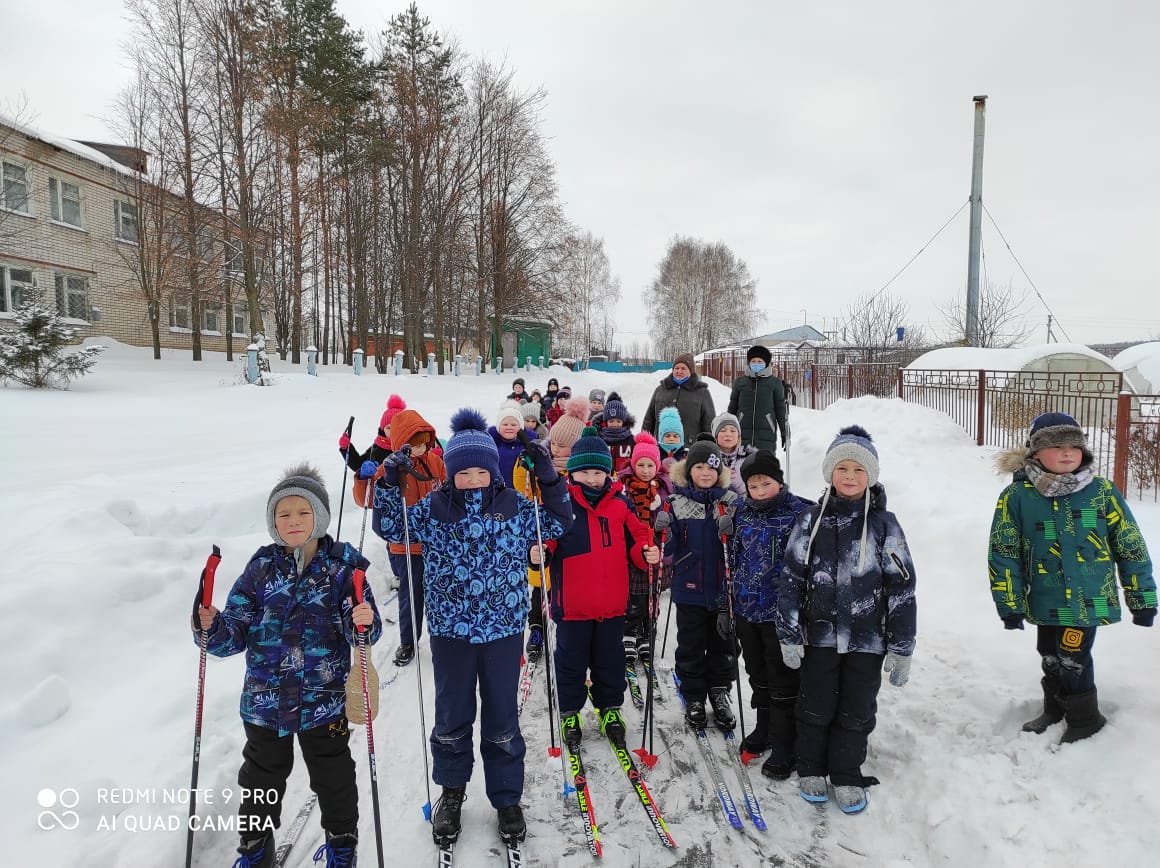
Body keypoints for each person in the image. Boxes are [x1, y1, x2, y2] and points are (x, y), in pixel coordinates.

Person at [372, 408, 572, 846]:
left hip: (503, 631)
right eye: (464, 473)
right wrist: (388, 484)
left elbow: (560, 520)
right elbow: (390, 527)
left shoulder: (514, 506)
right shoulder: (433, 509)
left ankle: (506, 798)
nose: (474, 479)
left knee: (502, 717)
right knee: (452, 715)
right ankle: (452, 791)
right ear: (452, 474)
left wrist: (548, 477)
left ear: (493, 471)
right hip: (451, 633)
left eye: (482, 471)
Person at [194, 464, 382, 868]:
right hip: (265, 701)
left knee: (334, 778)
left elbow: (363, 631)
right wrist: (210, 626)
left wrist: (363, 621)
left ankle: (342, 846)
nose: (293, 521)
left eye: (302, 512)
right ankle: (254, 849)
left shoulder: (343, 569)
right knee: (259, 780)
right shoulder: (259, 570)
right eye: (283, 514)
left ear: (321, 516)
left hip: (324, 701)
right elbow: (233, 633)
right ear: (272, 521)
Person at [988, 412, 1155, 743]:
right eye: (1056, 446)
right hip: (1045, 597)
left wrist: (1142, 598)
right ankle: (1055, 708)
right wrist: (1009, 604)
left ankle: (1085, 719)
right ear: (1035, 453)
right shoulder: (1018, 497)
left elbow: (1130, 545)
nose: (1067, 452)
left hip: (1089, 597)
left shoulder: (1101, 492)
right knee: (1050, 655)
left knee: (1072, 656)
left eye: (1074, 446)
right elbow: (1004, 552)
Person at [777, 425, 916, 815]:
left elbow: (902, 588)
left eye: (858, 469)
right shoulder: (810, 521)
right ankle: (810, 767)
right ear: (830, 473)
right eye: (842, 468)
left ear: (870, 475)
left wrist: (902, 647)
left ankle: (846, 773)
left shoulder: (885, 525)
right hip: (819, 636)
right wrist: (789, 633)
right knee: (815, 704)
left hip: (867, 640)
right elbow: (790, 579)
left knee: (857, 709)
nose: (850, 476)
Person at [530, 427, 660, 750]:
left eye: (598, 472)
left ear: (608, 473)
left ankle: (609, 707)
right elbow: (547, 540)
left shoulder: (620, 504)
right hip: (572, 606)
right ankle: (569, 711)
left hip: (612, 605)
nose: (591, 479)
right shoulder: (561, 506)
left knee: (609, 662)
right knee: (570, 663)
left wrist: (646, 551)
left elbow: (637, 536)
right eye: (585, 472)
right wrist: (540, 552)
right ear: (572, 472)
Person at [727, 450, 813, 779]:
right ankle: (764, 728)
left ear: (779, 481)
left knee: (783, 679)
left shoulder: (799, 512)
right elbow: (732, 558)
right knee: (757, 673)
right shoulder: (740, 512)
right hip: (747, 609)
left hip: (782, 614)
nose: (761, 491)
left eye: (767, 483)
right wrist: (726, 604)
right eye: (754, 485)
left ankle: (785, 743)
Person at [656, 437, 740, 730]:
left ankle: (719, 691)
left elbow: (741, 546)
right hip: (689, 588)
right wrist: (663, 531)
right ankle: (693, 695)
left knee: (723, 644)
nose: (706, 473)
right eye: (700, 467)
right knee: (690, 645)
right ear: (689, 470)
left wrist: (732, 531)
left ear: (720, 472)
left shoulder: (731, 502)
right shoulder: (676, 502)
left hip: (722, 590)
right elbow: (667, 550)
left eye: (712, 468)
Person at [365, 407, 447, 667]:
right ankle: (408, 641)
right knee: (411, 596)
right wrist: (368, 479)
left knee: (439, 594)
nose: (421, 449)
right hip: (406, 547)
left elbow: (446, 490)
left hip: (435, 544)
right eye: (414, 445)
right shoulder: (390, 468)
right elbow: (373, 503)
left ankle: (441, 639)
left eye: (424, 443)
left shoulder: (436, 462)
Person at [516, 396, 591, 661]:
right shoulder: (541, 463)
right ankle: (536, 627)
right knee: (541, 585)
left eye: (564, 446)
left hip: (574, 540)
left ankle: (566, 630)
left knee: (567, 589)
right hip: (547, 535)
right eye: (554, 443)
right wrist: (528, 471)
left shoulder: (583, 471)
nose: (556, 449)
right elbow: (524, 492)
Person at [617, 431, 673, 662]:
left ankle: (647, 633)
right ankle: (629, 632)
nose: (646, 470)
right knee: (633, 597)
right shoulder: (625, 487)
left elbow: (672, 518)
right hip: (632, 549)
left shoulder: (664, 489)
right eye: (640, 464)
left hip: (656, 548)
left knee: (652, 596)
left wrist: (664, 522)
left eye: (650, 465)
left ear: (657, 466)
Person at [340, 394, 407, 498]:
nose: (392, 431)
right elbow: (357, 465)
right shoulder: (377, 448)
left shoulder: (411, 448)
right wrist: (346, 448)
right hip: (382, 498)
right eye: (388, 428)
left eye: (396, 427)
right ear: (383, 429)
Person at [641, 353, 716, 445]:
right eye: (676, 368)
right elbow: (649, 419)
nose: (679, 371)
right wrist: (644, 442)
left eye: (683, 368)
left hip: (689, 447)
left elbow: (708, 424)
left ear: (691, 371)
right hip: (660, 447)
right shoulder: (661, 390)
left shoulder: (702, 392)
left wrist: (708, 447)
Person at [726, 345, 789, 454]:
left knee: (764, 463)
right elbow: (732, 408)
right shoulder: (740, 382)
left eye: (760, 361)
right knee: (741, 463)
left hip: (766, 436)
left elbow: (780, 410)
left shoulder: (775, 383)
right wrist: (727, 429)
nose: (756, 364)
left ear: (766, 363)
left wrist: (785, 433)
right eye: (753, 361)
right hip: (741, 435)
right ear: (749, 363)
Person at [712, 412, 753, 497]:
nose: (728, 434)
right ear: (715, 436)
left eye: (733, 430)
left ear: (738, 436)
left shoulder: (750, 458)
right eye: (723, 430)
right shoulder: (708, 457)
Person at [490, 400, 527, 487]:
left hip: (521, 491)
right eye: (505, 425)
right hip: (499, 491)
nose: (509, 427)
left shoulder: (527, 446)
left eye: (513, 425)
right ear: (498, 427)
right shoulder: (492, 446)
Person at [598, 393, 636, 474]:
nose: (615, 424)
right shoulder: (599, 439)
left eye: (618, 421)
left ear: (623, 421)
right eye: (611, 421)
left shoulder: (631, 440)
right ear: (605, 421)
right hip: (604, 478)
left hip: (625, 478)